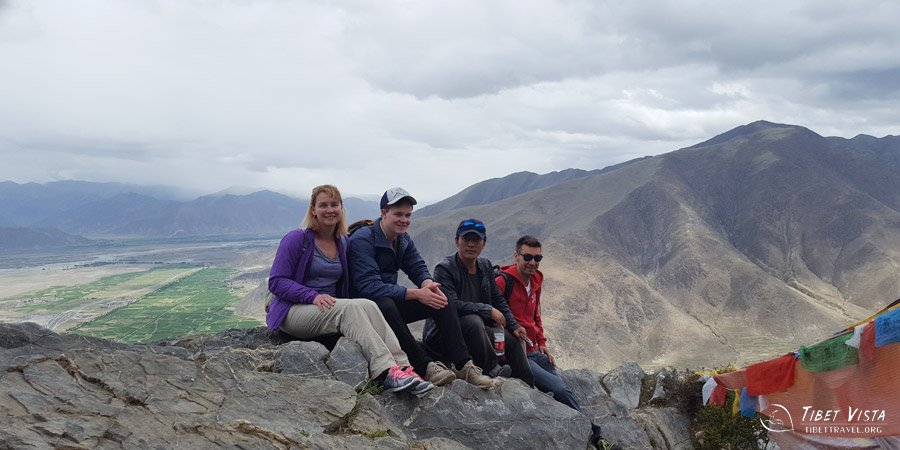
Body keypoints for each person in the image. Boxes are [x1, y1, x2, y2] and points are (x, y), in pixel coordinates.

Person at [266, 184, 433, 396]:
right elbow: (277, 281)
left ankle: (404, 367)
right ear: (313, 210)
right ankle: (385, 371)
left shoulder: (343, 243)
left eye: (334, 204)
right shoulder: (297, 239)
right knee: (350, 309)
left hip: (325, 309)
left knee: (369, 305)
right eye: (323, 205)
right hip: (293, 310)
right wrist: (312, 295)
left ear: (341, 208)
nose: (329, 210)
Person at [348, 187, 493, 389]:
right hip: (363, 308)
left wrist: (427, 284)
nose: (404, 220)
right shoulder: (363, 239)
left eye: (408, 215)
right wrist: (416, 293)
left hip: (387, 299)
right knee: (386, 304)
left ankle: (462, 364)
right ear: (383, 213)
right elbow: (368, 287)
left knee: (441, 298)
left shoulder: (403, 239)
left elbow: (417, 267)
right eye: (398, 214)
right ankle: (424, 367)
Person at [496, 235, 604, 446]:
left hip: (535, 351)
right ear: (516, 256)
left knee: (564, 388)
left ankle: (581, 429)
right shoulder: (502, 281)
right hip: (516, 354)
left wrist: (542, 343)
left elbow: (535, 314)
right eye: (527, 257)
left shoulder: (537, 279)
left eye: (538, 258)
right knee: (559, 388)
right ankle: (596, 436)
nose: (533, 263)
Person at [425, 219, 534, 386]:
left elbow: (497, 298)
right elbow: (450, 305)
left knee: (510, 339)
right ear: (456, 241)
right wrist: (487, 309)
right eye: (465, 239)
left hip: (476, 332)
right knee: (473, 321)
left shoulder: (484, 265)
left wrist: (514, 325)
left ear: (483, 243)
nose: (470, 244)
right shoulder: (444, 269)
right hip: (444, 334)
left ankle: (528, 385)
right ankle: (491, 370)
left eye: (476, 240)